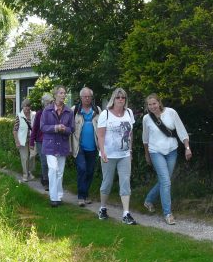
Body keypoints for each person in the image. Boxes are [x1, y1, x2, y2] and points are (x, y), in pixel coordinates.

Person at [142, 93, 192, 225]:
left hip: (171, 151)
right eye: (149, 104)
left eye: (154, 103)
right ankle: (168, 213)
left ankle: (148, 200)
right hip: (155, 151)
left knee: (165, 181)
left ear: (159, 102)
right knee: (165, 181)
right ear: (147, 106)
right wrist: (147, 155)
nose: (152, 106)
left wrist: (187, 147)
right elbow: (145, 139)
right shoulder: (146, 118)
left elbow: (181, 130)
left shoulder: (171, 112)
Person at [97, 87, 137, 225]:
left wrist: (130, 151)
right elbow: (100, 135)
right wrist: (102, 152)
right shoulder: (105, 114)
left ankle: (126, 213)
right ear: (113, 99)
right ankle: (102, 208)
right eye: (118, 97)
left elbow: (130, 134)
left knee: (125, 182)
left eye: (123, 97)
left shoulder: (129, 113)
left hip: (124, 154)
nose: (121, 99)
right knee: (107, 182)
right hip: (109, 154)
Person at [41, 85, 74, 207]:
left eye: (64, 93)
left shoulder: (69, 111)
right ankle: (53, 197)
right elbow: (42, 127)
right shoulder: (47, 110)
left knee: (60, 172)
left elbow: (72, 129)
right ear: (55, 95)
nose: (63, 95)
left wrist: (65, 129)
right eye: (61, 93)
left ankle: (59, 196)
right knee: (53, 169)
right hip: (49, 145)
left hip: (63, 145)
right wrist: (55, 128)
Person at [71, 87, 101, 207]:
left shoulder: (97, 110)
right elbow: (70, 129)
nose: (87, 98)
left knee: (90, 171)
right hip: (79, 146)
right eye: (85, 96)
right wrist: (69, 147)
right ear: (81, 97)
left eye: (89, 96)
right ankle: (81, 196)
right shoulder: (74, 110)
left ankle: (86, 193)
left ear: (91, 98)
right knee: (82, 169)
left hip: (93, 146)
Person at [30, 93, 54, 190]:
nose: (49, 104)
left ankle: (50, 179)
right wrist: (32, 142)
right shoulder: (39, 113)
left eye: (50, 102)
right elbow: (35, 128)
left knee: (51, 162)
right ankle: (45, 180)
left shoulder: (54, 113)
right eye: (47, 103)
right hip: (41, 141)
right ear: (43, 103)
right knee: (44, 161)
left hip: (51, 141)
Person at [13, 98, 36, 182]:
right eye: (25, 106)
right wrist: (17, 141)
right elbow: (15, 131)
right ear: (22, 107)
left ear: (30, 107)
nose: (26, 108)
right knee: (24, 157)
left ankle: (30, 171)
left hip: (32, 139)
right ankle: (25, 174)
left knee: (32, 155)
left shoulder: (34, 115)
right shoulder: (19, 116)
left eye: (28, 106)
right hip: (22, 140)